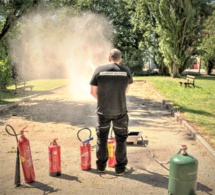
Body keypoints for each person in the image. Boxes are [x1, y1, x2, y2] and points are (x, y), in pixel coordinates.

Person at [89, 48, 133, 176]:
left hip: (103, 111)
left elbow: (92, 92)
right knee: (120, 139)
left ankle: (101, 167)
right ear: (120, 59)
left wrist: (103, 100)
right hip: (120, 111)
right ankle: (120, 169)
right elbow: (125, 91)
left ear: (109, 58)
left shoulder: (98, 70)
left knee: (102, 138)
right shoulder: (126, 72)